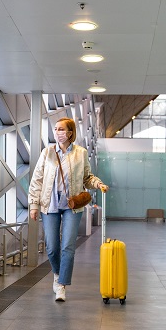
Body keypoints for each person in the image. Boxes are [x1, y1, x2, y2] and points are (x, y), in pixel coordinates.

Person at [28, 117, 109, 301]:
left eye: (61, 129)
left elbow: (87, 178)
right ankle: (57, 274)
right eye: (56, 129)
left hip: (72, 206)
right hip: (50, 205)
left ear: (70, 132)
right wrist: (34, 205)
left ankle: (62, 285)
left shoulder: (80, 153)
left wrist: (98, 184)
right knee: (51, 247)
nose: (58, 132)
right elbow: (37, 179)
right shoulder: (47, 152)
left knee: (68, 246)